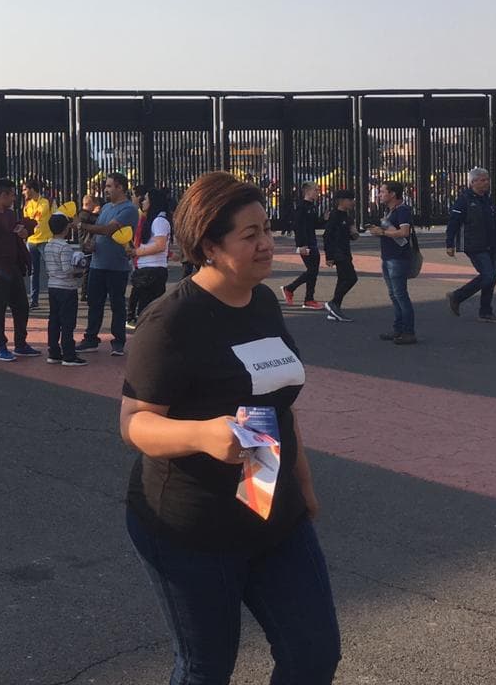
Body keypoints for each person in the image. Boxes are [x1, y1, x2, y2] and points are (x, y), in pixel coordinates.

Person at [120, 171, 340, 685]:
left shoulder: (262, 301)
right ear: (210, 246)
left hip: (272, 509)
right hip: (191, 526)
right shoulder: (170, 321)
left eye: (267, 228)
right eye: (250, 234)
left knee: (313, 655)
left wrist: (302, 482)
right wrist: (201, 434)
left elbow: (278, 402)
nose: (267, 243)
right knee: (206, 668)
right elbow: (133, 423)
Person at [0, 178, 40, 362]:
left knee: (21, 306)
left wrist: (23, 233)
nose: (14, 198)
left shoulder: (9, 214)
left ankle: (20, 343)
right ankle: (0, 347)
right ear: (3, 195)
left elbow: (16, 232)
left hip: (13, 266)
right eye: (12, 195)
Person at [76, 173, 138, 356]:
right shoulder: (105, 208)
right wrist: (91, 243)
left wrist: (82, 226)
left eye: (110, 186)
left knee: (117, 305)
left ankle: (118, 341)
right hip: (97, 263)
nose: (106, 189)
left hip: (116, 265)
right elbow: (98, 233)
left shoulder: (128, 210)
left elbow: (108, 230)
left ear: (120, 188)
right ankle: (91, 338)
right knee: (95, 303)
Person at [445, 167, 496, 325]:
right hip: (473, 244)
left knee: (491, 278)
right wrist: (449, 243)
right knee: (488, 275)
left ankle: (486, 312)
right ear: (473, 182)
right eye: (483, 180)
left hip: (490, 243)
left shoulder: (487, 199)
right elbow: (453, 223)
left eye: (487, 179)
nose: (487, 183)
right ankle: (457, 296)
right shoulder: (464, 200)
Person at [367, 180, 417, 345]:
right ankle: (399, 329)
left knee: (400, 295)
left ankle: (408, 331)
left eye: (382, 192)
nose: (379, 195)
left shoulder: (402, 210)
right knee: (394, 295)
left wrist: (382, 232)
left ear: (393, 194)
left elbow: (403, 232)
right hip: (389, 256)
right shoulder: (391, 211)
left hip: (398, 257)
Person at [43, 213, 87, 366]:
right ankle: (69, 353)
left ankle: (54, 352)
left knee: (54, 319)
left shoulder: (48, 245)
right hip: (67, 287)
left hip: (52, 285)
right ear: (66, 229)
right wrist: (80, 268)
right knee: (68, 322)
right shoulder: (65, 247)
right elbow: (67, 269)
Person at [125, 187, 172, 329]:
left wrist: (137, 252)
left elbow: (160, 245)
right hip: (147, 269)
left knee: (148, 309)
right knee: (146, 309)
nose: (143, 202)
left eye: (146, 199)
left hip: (153, 270)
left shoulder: (159, 221)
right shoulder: (151, 220)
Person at [281, 182, 323, 310]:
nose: (317, 192)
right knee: (312, 270)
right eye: (315, 190)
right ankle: (291, 289)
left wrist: (325, 219)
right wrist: (301, 245)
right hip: (305, 243)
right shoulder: (301, 207)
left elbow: (315, 223)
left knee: (313, 270)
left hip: (312, 241)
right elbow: (298, 227)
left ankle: (308, 298)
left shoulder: (313, 207)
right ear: (308, 191)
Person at [321, 190, 360, 323]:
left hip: (345, 251)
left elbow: (349, 235)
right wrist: (329, 256)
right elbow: (328, 236)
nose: (353, 202)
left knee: (343, 279)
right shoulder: (335, 215)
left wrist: (354, 234)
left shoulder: (347, 217)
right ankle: (333, 303)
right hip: (338, 252)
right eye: (350, 199)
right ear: (341, 201)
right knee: (351, 278)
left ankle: (335, 309)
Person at [22, 178, 53, 311]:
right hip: (31, 241)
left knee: (50, 270)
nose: (23, 192)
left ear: (32, 189)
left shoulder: (46, 202)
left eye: (25, 189)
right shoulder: (27, 205)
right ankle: (34, 300)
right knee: (33, 271)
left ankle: (54, 298)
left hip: (45, 240)